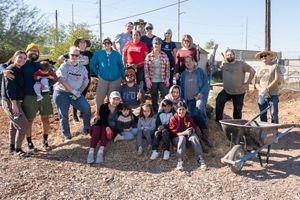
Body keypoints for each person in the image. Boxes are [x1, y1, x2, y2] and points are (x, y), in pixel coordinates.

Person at [4, 43, 53, 151]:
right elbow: (5, 65)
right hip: (29, 97)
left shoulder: (42, 64)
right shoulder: (22, 63)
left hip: (44, 96)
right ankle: (30, 143)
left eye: (36, 51)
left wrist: (46, 85)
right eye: (31, 50)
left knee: (45, 119)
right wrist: (4, 71)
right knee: (29, 121)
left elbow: (54, 77)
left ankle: (45, 142)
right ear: (27, 52)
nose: (34, 52)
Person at [53, 46, 91, 141]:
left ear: (79, 56)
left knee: (86, 108)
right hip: (62, 92)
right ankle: (66, 134)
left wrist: (78, 93)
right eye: (72, 55)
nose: (74, 57)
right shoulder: (64, 66)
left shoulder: (82, 68)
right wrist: (73, 92)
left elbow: (85, 82)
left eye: (76, 55)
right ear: (68, 55)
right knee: (64, 114)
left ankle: (87, 128)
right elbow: (62, 81)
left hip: (75, 93)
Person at [1, 51, 31, 157]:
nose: (22, 60)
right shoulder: (12, 69)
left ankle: (12, 147)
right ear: (14, 58)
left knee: (14, 125)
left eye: (24, 58)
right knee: (23, 125)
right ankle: (18, 149)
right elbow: (10, 88)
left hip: (16, 101)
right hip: (10, 101)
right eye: (20, 57)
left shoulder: (17, 68)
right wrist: (13, 104)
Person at [58, 37, 93, 123]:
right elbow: (60, 58)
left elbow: (96, 60)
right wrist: (69, 62)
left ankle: (82, 113)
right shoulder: (74, 52)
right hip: (74, 77)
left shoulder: (89, 53)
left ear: (86, 44)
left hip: (86, 77)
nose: (82, 43)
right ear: (78, 44)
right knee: (75, 94)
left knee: (82, 95)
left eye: (84, 42)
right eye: (81, 42)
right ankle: (74, 115)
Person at [215, 49, 255, 122]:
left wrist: (247, 83)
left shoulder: (241, 64)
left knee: (237, 110)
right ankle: (219, 121)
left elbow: (252, 71)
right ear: (226, 56)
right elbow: (214, 69)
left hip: (238, 92)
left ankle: (236, 125)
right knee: (219, 101)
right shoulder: (224, 65)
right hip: (226, 90)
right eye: (228, 55)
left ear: (234, 55)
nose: (229, 56)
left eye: (231, 54)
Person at [180, 55, 211, 148]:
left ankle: (205, 130)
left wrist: (201, 93)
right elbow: (181, 87)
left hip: (199, 96)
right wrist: (182, 99)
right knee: (192, 115)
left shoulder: (200, 71)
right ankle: (198, 133)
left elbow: (207, 84)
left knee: (199, 106)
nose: (188, 63)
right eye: (186, 62)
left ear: (194, 62)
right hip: (188, 98)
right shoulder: (183, 74)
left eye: (190, 61)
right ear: (184, 64)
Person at [90, 37, 125, 116]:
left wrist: (123, 77)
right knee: (100, 97)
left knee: (112, 97)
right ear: (102, 44)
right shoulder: (98, 53)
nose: (106, 44)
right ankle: (99, 112)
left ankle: (111, 113)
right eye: (105, 43)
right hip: (103, 78)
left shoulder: (116, 54)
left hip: (116, 78)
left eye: (108, 43)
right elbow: (92, 63)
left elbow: (121, 66)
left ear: (111, 44)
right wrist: (97, 73)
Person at [169, 101, 206, 170]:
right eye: (180, 109)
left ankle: (200, 158)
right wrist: (184, 133)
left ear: (186, 110)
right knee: (182, 138)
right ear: (177, 110)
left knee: (193, 137)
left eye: (183, 109)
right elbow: (174, 133)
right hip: (177, 139)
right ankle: (180, 161)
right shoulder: (173, 119)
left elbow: (194, 127)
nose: (182, 111)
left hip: (188, 138)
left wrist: (192, 131)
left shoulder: (188, 117)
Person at [87, 91, 122, 164]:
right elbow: (103, 119)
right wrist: (107, 127)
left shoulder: (121, 107)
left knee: (105, 130)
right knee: (98, 128)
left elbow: (130, 115)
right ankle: (91, 151)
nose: (115, 101)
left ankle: (101, 151)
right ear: (109, 99)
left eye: (117, 99)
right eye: (114, 99)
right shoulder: (103, 107)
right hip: (101, 127)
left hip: (111, 130)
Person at [144, 37, 170, 113]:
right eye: (155, 43)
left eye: (159, 43)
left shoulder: (164, 55)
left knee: (164, 95)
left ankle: (163, 110)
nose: (157, 45)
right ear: (152, 44)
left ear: (161, 45)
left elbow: (167, 68)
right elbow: (146, 69)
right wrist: (147, 79)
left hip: (163, 80)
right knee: (154, 96)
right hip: (152, 80)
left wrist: (167, 78)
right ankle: (155, 111)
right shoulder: (148, 56)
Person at [254, 50, 280, 123]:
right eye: (262, 56)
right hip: (262, 95)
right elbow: (256, 83)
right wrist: (262, 90)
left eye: (265, 55)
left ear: (269, 56)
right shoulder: (259, 69)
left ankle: (274, 130)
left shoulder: (275, 66)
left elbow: (276, 79)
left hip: (273, 94)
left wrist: (267, 89)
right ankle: (264, 130)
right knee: (262, 114)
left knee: (274, 114)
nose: (263, 57)